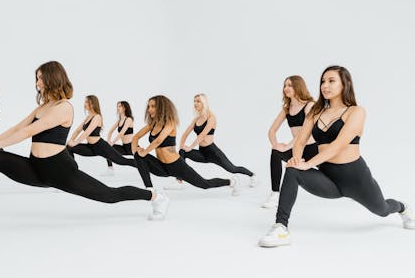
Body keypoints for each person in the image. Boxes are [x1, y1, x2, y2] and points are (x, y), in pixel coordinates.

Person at [0, 61, 169, 232]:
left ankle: (155, 197)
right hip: (35, 168)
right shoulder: (44, 106)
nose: (37, 83)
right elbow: (17, 127)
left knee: (110, 196)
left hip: (61, 172)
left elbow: (28, 132)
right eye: (37, 79)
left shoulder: (63, 107)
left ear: (52, 79)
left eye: (40, 78)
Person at [258, 66, 415, 247]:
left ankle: (403, 207)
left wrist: (308, 164)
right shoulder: (315, 113)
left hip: (356, 178)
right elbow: (300, 142)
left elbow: (338, 146)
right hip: (329, 178)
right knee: (292, 170)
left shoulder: (356, 112)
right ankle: (281, 228)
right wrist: (297, 159)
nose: (325, 85)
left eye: (331, 81)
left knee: (383, 209)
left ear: (345, 84)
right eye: (323, 81)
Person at [133, 95, 240, 195]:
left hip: (176, 165)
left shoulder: (170, 122)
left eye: (153, 106)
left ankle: (231, 182)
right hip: (162, 166)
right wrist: (136, 150)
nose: (149, 109)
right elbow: (136, 137)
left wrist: (145, 151)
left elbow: (158, 141)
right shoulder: (152, 124)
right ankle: (150, 190)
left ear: (161, 108)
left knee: (204, 184)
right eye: (149, 106)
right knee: (138, 155)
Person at [171, 93, 256, 190]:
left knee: (232, 168)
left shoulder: (211, 117)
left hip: (213, 152)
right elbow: (185, 134)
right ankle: (179, 180)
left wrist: (190, 147)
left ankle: (252, 175)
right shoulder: (196, 119)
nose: (195, 103)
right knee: (182, 152)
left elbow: (203, 135)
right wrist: (181, 145)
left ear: (204, 102)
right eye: (194, 101)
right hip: (202, 152)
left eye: (198, 101)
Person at [262, 76, 318, 208]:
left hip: (313, 150)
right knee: (275, 152)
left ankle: (351, 188)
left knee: (333, 172)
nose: (286, 88)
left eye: (290, 85)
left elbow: (305, 133)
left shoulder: (309, 105)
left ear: (298, 87)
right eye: (285, 85)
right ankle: (275, 194)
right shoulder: (287, 109)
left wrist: (287, 146)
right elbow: (271, 131)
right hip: (297, 150)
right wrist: (276, 144)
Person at [67, 95, 136, 176]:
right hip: (90, 147)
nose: (84, 104)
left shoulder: (97, 117)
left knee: (122, 161)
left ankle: (143, 166)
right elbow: (77, 130)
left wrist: (76, 142)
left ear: (92, 104)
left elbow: (87, 133)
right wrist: (71, 140)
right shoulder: (88, 118)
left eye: (86, 102)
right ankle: (72, 173)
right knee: (69, 147)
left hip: (100, 147)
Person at [102, 101, 135, 176]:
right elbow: (110, 131)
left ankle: (148, 170)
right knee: (106, 149)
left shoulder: (129, 119)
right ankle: (110, 170)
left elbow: (121, 133)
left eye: (120, 106)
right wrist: (108, 141)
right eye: (117, 106)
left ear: (124, 108)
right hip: (124, 147)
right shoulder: (119, 120)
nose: (118, 108)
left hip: (131, 146)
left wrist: (112, 142)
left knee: (140, 160)